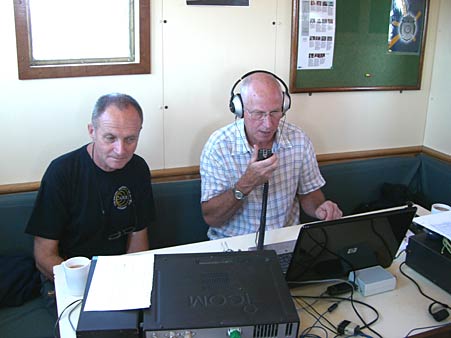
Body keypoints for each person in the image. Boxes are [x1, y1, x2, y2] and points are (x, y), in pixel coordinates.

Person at [26, 93, 155, 298]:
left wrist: (132, 283)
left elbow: (138, 241)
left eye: (130, 139)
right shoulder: (62, 171)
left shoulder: (138, 168)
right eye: (110, 138)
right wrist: (92, 287)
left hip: (119, 275)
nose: (120, 150)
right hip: (71, 277)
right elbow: (44, 256)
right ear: (92, 131)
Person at [200, 71, 342, 239]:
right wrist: (246, 183)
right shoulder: (219, 146)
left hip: (286, 241)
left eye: (275, 112)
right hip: (233, 245)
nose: (268, 124)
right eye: (258, 113)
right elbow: (212, 218)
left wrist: (320, 208)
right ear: (240, 109)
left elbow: (309, 193)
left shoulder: (299, 139)